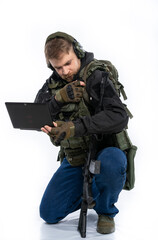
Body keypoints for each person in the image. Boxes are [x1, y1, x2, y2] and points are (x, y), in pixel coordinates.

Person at [35, 31, 129, 234]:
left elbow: (119, 116)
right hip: (76, 158)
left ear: (77, 52)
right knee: (49, 213)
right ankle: (93, 191)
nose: (64, 71)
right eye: (57, 67)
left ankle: (105, 209)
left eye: (68, 63)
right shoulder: (55, 83)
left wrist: (74, 128)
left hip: (104, 152)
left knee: (113, 161)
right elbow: (36, 115)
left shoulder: (96, 75)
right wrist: (58, 99)